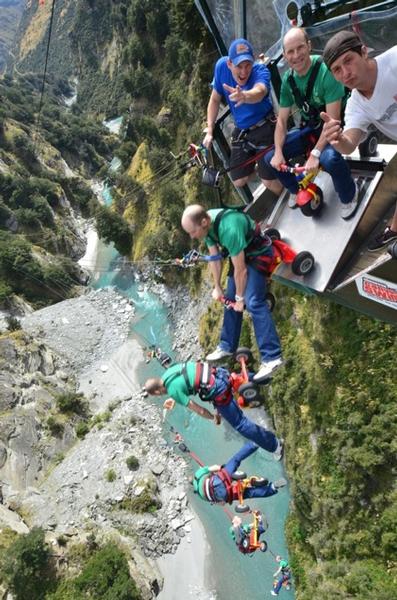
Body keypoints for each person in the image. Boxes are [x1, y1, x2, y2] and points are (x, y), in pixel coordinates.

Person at [262, 27, 358, 219]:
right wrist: (279, 152)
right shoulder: (289, 81)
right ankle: (296, 189)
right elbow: (281, 120)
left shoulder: (325, 72)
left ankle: (349, 195)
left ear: (309, 46)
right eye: (290, 51)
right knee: (270, 158)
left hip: (334, 127)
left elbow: (333, 122)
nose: (296, 55)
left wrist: (315, 153)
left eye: (300, 48)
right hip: (312, 128)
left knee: (328, 158)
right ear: (285, 55)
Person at [181, 205, 283, 382]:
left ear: (203, 222)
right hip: (242, 255)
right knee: (229, 298)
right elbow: (215, 259)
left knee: (253, 302)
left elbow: (241, 271)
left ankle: (272, 357)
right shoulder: (208, 228)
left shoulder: (229, 229)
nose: (192, 236)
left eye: (192, 231)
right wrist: (217, 287)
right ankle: (227, 345)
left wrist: (240, 299)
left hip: (259, 254)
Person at [321, 31, 397, 250]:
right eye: (337, 69)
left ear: (364, 52)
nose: (345, 73)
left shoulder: (393, 61)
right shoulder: (356, 104)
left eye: (348, 61)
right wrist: (337, 139)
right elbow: (350, 143)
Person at [144, 361, 284, 458]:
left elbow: (198, 410)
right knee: (240, 379)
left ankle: (275, 446)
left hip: (218, 390)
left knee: (240, 424)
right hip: (217, 373)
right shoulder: (169, 371)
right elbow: (187, 379)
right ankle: (271, 376)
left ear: (157, 392)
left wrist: (213, 417)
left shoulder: (173, 391)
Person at [203, 38, 282, 194]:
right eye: (239, 66)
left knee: (269, 181)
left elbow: (259, 92)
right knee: (238, 180)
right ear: (229, 64)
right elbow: (214, 99)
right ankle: (263, 166)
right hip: (243, 131)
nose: (244, 72)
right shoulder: (221, 68)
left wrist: (245, 96)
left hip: (265, 126)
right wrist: (210, 129)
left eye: (248, 65)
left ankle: (290, 197)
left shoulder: (259, 70)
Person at [192, 441, 287, 503]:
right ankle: (256, 443)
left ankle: (273, 487)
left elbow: (221, 503)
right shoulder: (198, 474)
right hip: (222, 478)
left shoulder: (202, 496)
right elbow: (216, 467)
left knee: (250, 493)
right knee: (236, 459)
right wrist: (222, 467)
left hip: (226, 494)